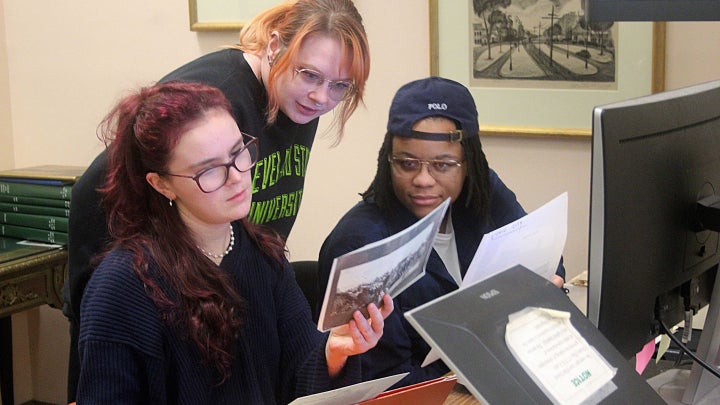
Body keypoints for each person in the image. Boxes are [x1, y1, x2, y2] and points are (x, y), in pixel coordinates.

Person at [64, 0, 370, 401]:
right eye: (309, 75)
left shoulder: (263, 259)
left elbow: (298, 373)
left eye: (339, 86)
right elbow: (99, 191)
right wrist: (117, 289)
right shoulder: (123, 286)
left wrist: (334, 352)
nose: (320, 97)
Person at [315, 76, 566, 389]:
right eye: (407, 164)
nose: (423, 179)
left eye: (443, 165)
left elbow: (546, 263)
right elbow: (388, 380)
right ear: (387, 161)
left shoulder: (482, 192)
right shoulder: (361, 244)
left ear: (468, 164)